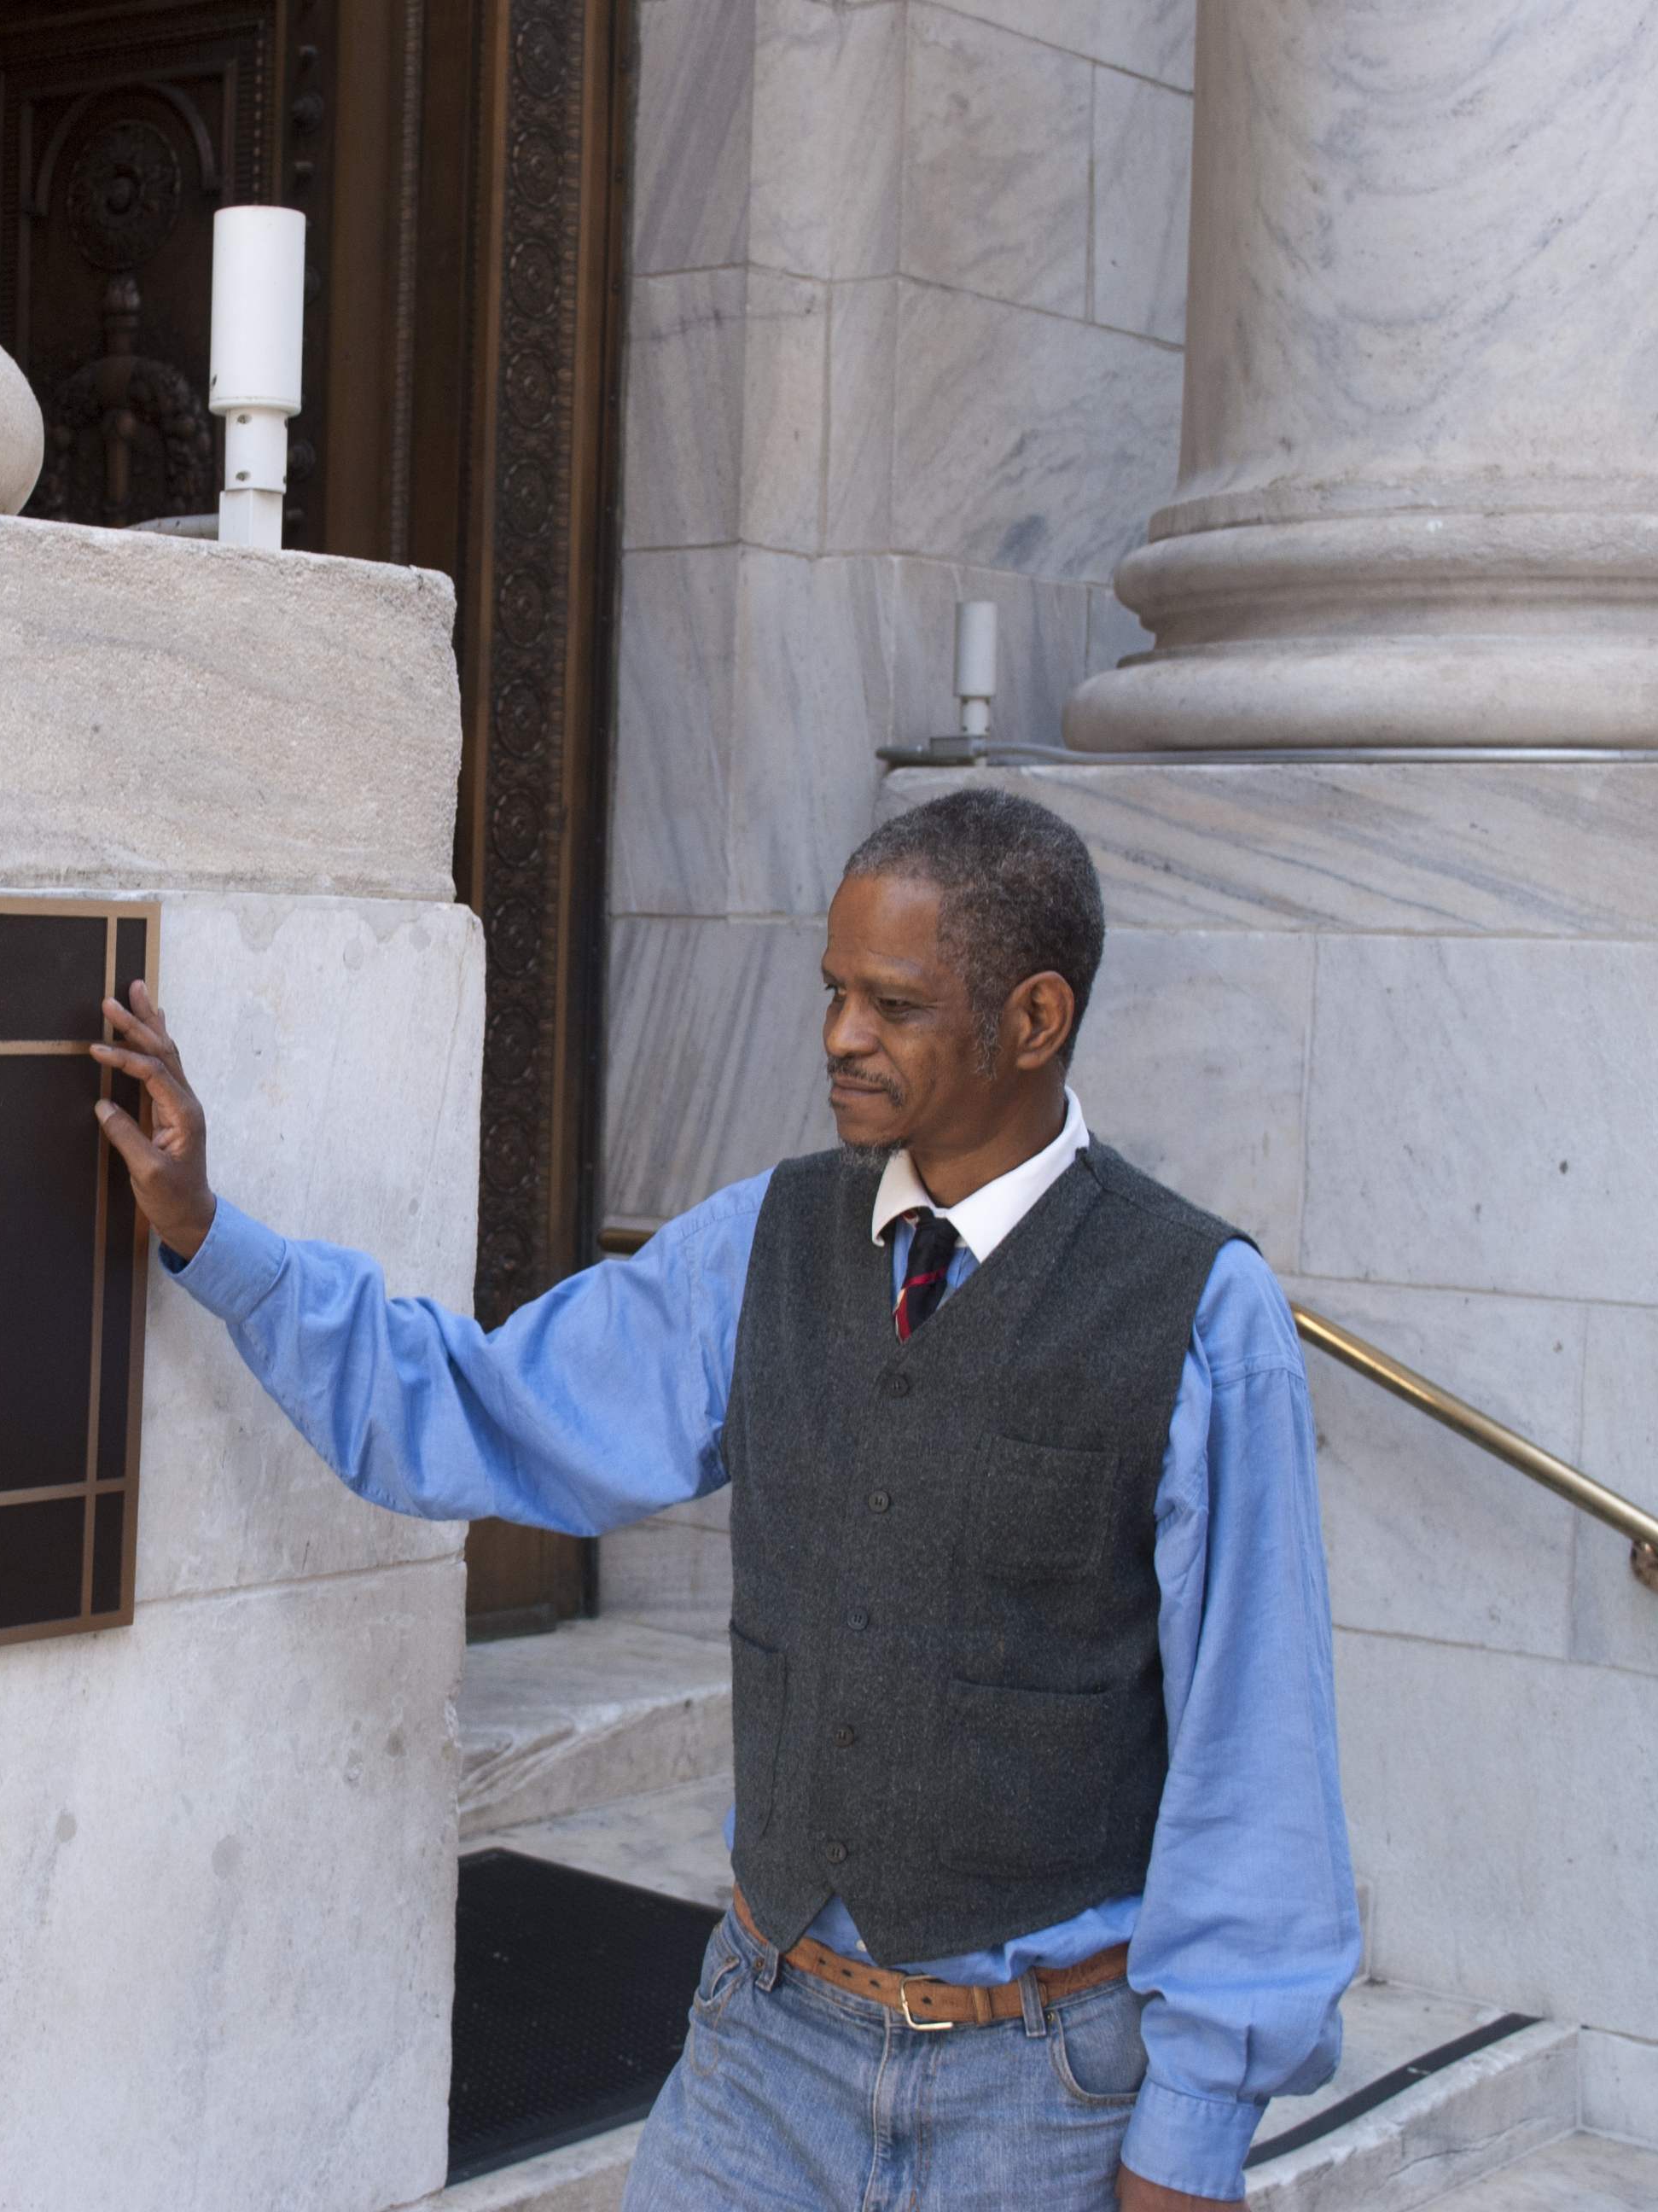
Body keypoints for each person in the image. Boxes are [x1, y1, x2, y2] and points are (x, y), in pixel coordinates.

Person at [90, 787, 1358, 2209]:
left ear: (1035, 1019)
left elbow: (1257, 1756)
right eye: (832, 992)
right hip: (766, 2056)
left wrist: (1188, 2141)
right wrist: (212, 1233)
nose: (840, 1037)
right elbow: (478, 1415)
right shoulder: (761, 1246)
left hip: (1046, 2095)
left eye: (894, 1002)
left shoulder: (1198, 1310)